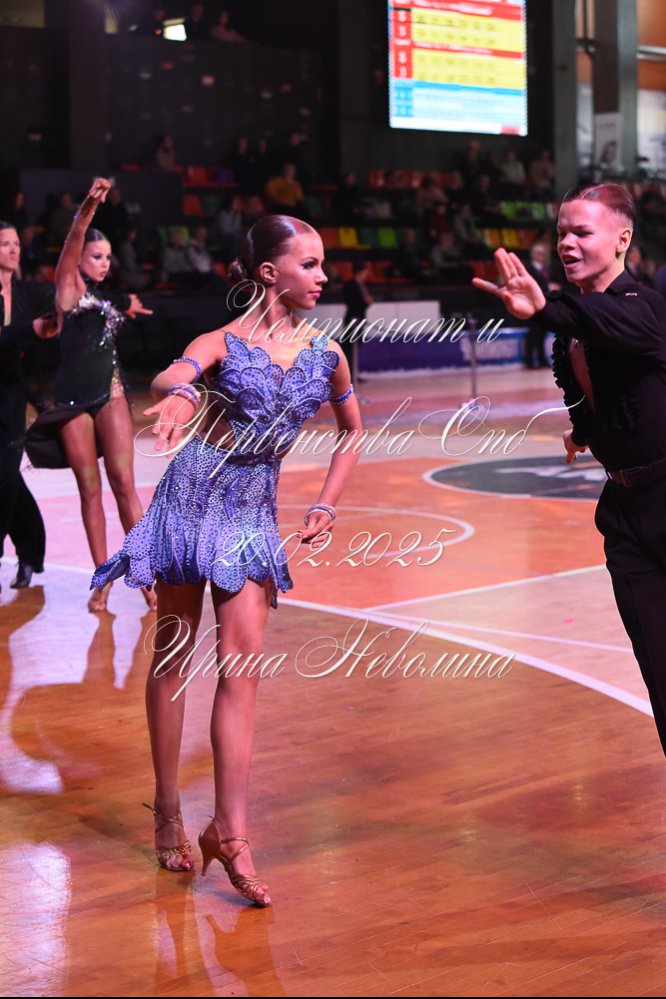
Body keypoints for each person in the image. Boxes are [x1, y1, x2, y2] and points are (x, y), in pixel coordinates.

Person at [90, 214, 362, 904]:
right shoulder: (218, 342)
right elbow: (170, 377)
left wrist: (327, 503)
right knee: (173, 657)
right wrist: (183, 393)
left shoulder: (328, 354)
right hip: (192, 498)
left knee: (242, 669)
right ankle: (167, 807)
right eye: (308, 264)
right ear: (270, 273)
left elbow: (353, 431)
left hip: (251, 512)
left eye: (321, 264)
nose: (322, 276)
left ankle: (230, 831)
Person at [472, 182, 666, 758]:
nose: (567, 243)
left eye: (582, 231)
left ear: (622, 239)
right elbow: (592, 392)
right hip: (626, 516)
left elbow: (610, 325)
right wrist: (584, 432)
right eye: (561, 233)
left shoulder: (644, 306)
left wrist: (542, 310)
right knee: (659, 674)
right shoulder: (573, 332)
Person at [26, 178, 155, 613]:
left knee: (124, 485)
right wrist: (88, 206)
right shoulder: (67, 287)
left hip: (110, 393)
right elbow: (75, 236)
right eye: (97, 256)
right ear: (79, 259)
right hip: (72, 403)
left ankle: (145, 576)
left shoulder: (104, 296)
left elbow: (116, 301)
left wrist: (127, 303)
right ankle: (102, 579)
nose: (104, 263)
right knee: (89, 490)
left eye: (108, 257)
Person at [0, 222, 57, 591]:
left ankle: (22, 554)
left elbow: (67, 294)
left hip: (9, 394)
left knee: (5, 478)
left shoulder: (26, 291)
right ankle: (30, 551)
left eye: (17, 243)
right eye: (5, 244)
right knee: (8, 481)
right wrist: (30, 331)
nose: (14, 250)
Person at [523, 241, 561, 369]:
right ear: (533, 254)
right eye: (539, 253)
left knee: (541, 334)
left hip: (544, 305)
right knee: (532, 334)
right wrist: (548, 287)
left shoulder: (546, 270)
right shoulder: (528, 269)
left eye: (543, 254)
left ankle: (541, 359)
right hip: (532, 306)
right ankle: (529, 361)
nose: (541, 256)